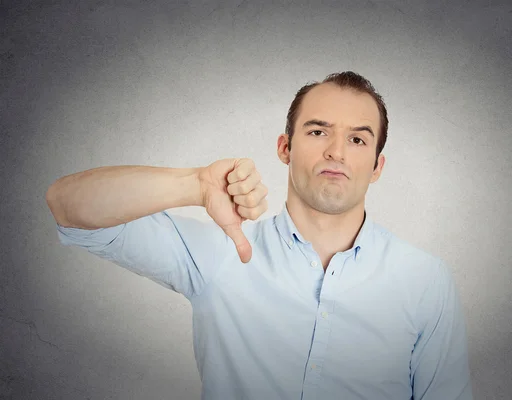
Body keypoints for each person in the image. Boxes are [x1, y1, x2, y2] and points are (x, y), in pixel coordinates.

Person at [46, 71, 473, 400]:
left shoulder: (425, 280)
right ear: (285, 147)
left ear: (377, 167)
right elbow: (69, 206)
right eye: (318, 131)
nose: (336, 152)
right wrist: (193, 185)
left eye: (358, 139)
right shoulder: (222, 253)